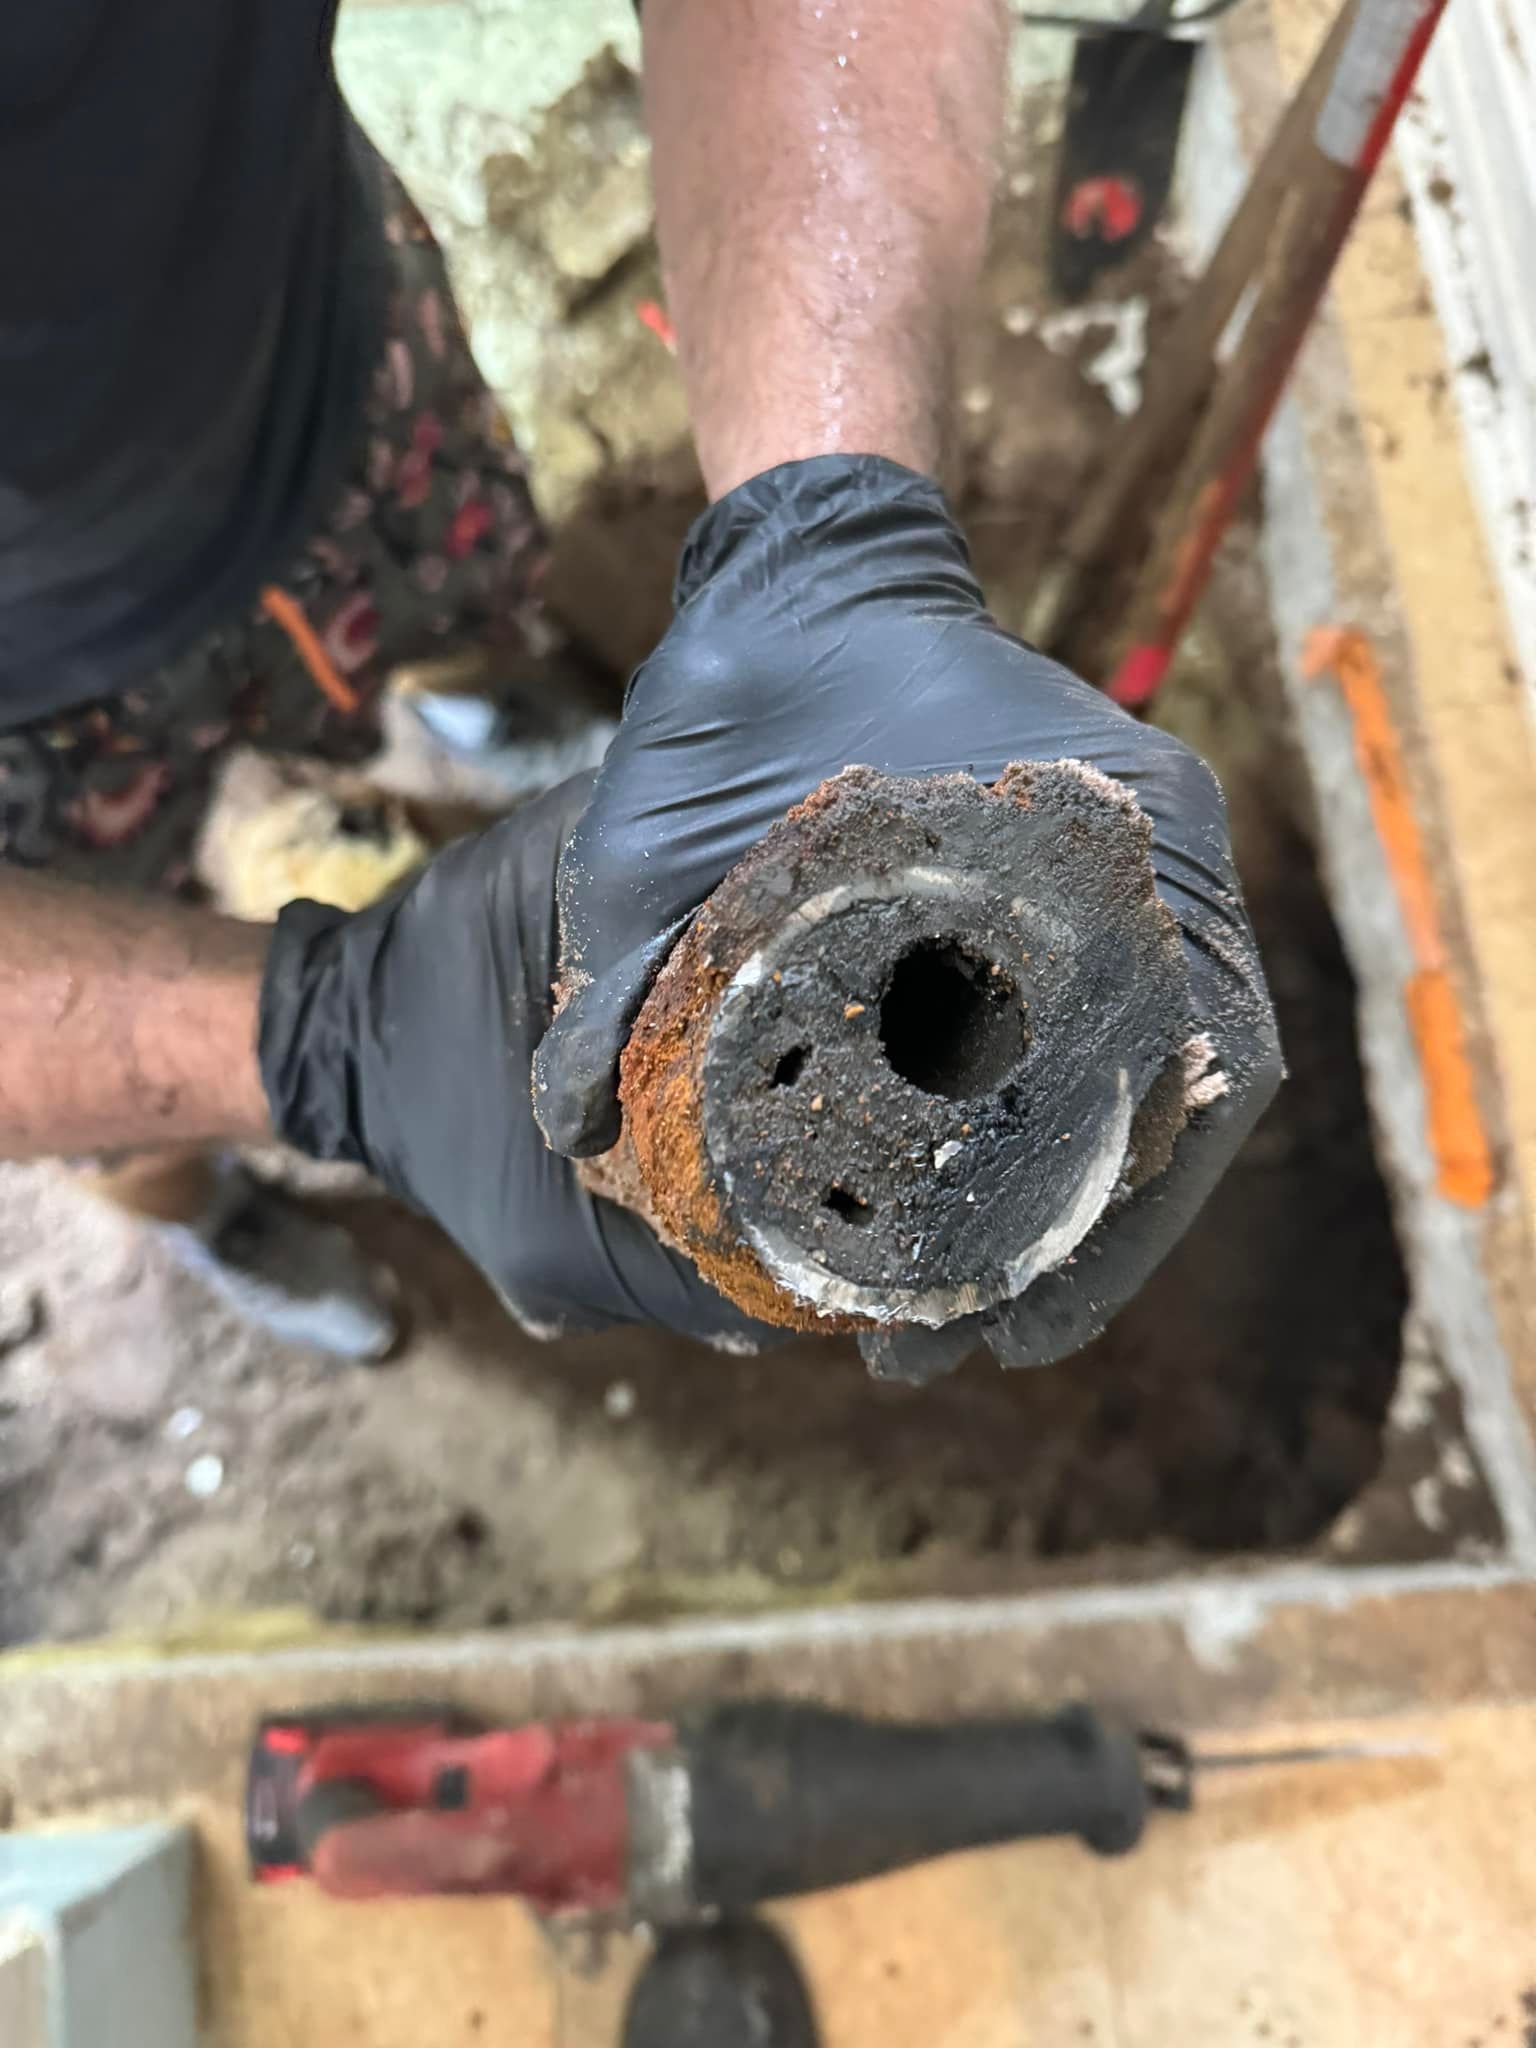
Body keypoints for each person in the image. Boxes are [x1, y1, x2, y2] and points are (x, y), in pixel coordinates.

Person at [0, 1, 1280, 1378]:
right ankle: (198, 1205)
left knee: (465, 588)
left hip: (302, 330)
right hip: (33, 721)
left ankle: (486, 710)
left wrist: (834, 513)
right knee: (142, 1127)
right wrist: (298, 1043)